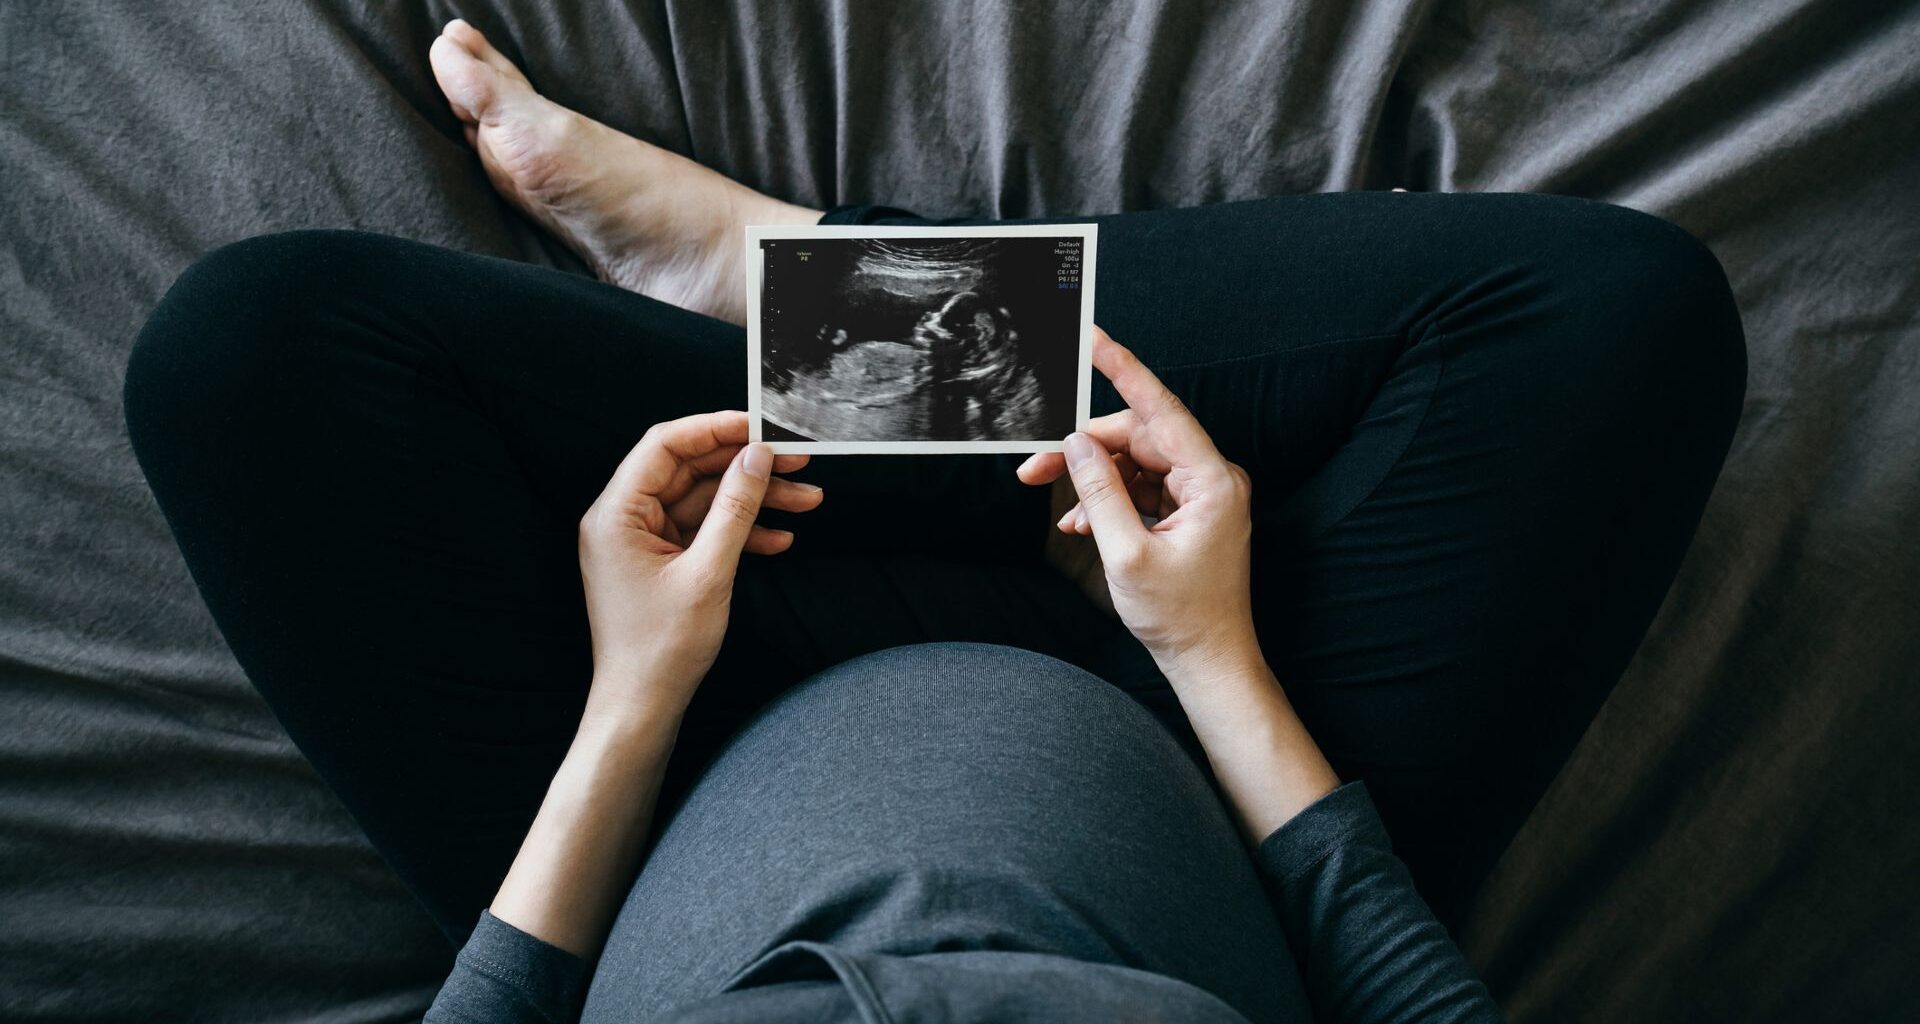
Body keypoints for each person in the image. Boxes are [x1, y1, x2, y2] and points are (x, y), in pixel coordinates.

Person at [120, 19, 1746, 1024]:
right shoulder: (1209, 683)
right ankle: (800, 286)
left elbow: (503, 1003)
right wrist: (1209, 654)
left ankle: (794, 301)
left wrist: (630, 696)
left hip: (663, 773)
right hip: (1220, 768)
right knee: (1614, 316)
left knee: (247, 356)